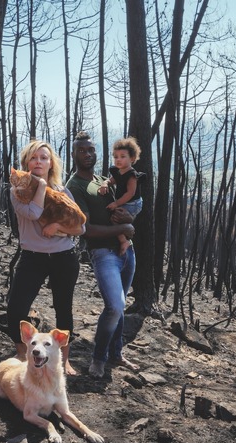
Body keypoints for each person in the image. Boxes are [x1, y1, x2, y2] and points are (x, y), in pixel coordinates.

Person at [66, 131, 141, 378]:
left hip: (127, 252)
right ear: (74, 154)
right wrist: (123, 228)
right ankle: (98, 358)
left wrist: (128, 221)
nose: (88, 154)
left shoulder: (103, 180)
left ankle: (116, 354)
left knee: (119, 307)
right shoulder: (74, 186)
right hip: (103, 253)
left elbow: (126, 207)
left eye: (91, 149)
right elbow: (84, 229)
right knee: (116, 306)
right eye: (82, 150)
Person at [7, 139, 82, 376]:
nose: (38, 161)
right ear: (26, 162)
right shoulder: (18, 191)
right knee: (16, 308)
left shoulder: (63, 191)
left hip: (63, 256)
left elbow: (81, 228)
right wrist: (40, 186)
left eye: (44, 158)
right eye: (33, 157)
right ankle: (22, 354)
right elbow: (34, 212)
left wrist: (58, 225)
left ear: (51, 164)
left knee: (63, 309)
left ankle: (62, 361)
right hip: (33, 257)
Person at [98, 137, 145, 255]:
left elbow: (131, 193)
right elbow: (110, 181)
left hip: (133, 203)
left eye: (123, 156)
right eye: (116, 156)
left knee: (115, 219)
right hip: (124, 201)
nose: (118, 160)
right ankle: (123, 238)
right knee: (115, 218)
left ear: (132, 158)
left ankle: (124, 241)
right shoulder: (118, 172)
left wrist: (116, 203)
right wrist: (104, 184)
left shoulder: (131, 175)